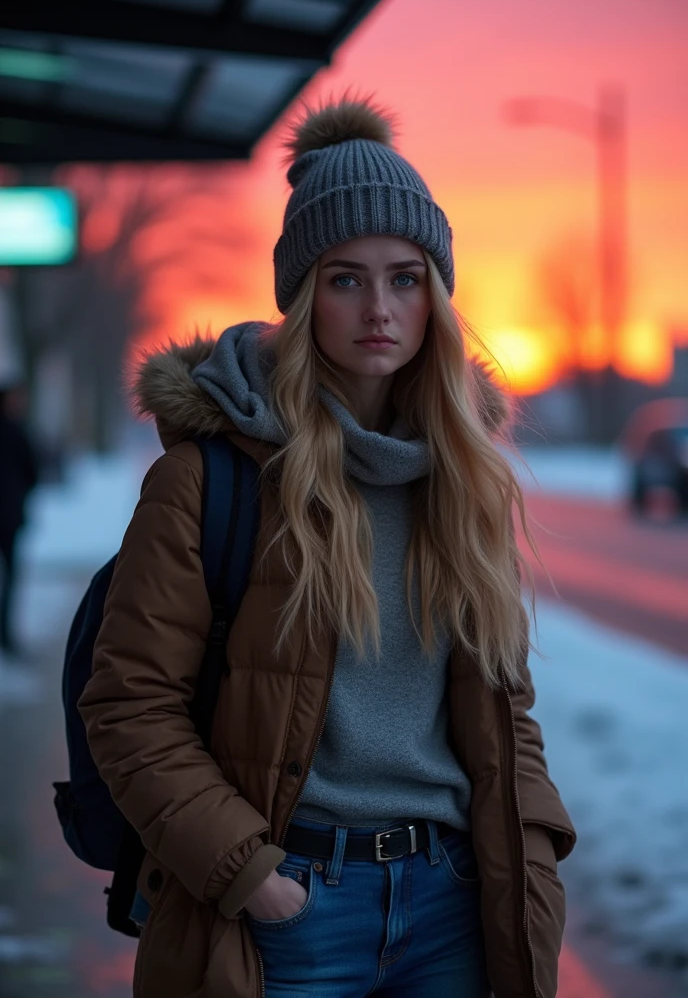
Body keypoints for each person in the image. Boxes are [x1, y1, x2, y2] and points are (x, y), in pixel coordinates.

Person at [79, 97, 576, 998]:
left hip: (451, 902)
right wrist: (251, 878)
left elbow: (507, 707)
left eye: (405, 277)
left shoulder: (462, 481)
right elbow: (128, 705)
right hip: (296, 909)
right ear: (303, 297)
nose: (379, 308)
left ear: (437, 294)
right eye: (345, 278)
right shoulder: (211, 480)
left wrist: (530, 854)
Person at [0, 382, 39, 658]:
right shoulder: (16, 431)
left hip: (10, 513)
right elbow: (32, 470)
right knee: (11, 577)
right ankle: (6, 635)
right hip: (9, 515)